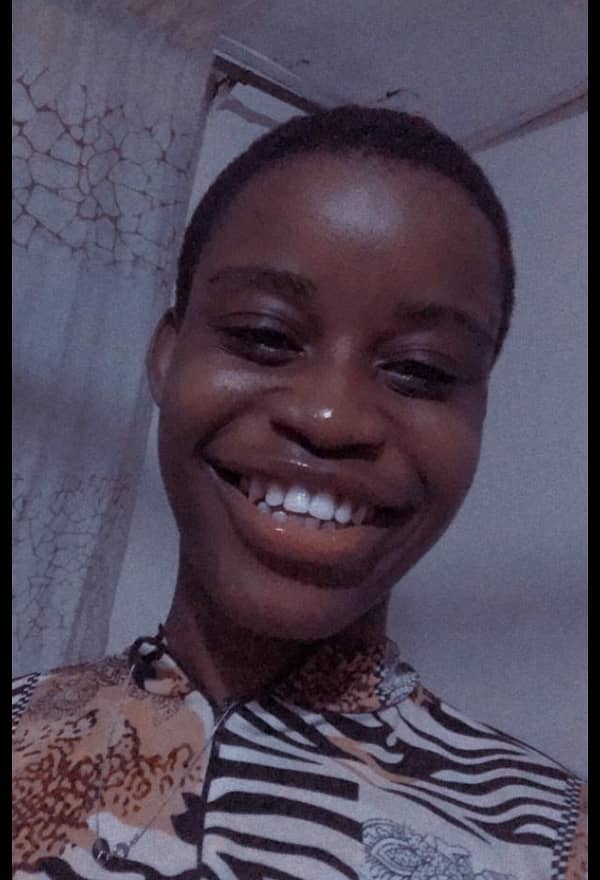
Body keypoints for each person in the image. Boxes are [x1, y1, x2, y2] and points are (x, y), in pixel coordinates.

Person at [12, 106, 587, 879]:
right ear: (167, 359)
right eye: (264, 335)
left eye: (422, 370)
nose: (331, 418)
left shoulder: (555, 846)